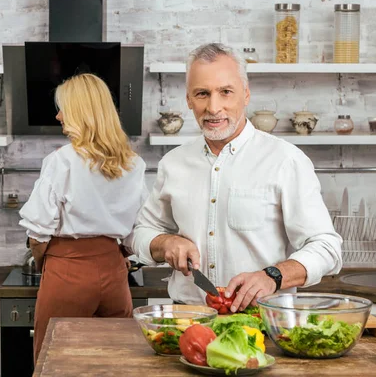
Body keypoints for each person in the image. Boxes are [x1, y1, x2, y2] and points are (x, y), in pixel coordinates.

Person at [127, 43, 342, 311]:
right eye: (202, 94)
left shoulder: (286, 160)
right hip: (188, 318)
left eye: (226, 92)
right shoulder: (173, 163)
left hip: (262, 319)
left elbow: (326, 247)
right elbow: (141, 233)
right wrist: (166, 242)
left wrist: (273, 276)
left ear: (246, 95)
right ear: (189, 100)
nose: (214, 107)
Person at [19, 73, 147, 362]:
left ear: (80, 112)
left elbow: (37, 234)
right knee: (116, 362)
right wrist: (117, 254)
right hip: (115, 274)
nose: (58, 115)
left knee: (56, 361)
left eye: (64, 107)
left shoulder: (61, 161)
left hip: (68, 272)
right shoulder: (133, 163)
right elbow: (137, 229)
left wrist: (46, 263)